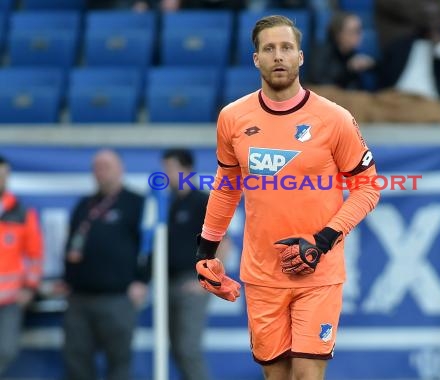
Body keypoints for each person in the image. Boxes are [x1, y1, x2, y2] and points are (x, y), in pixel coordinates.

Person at [193, 15, 381, 380]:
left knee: (307, 376)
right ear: (256, 59)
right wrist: (205, 251)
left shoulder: (334, 119)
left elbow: (368, 187)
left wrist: (323, 240)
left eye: (286, 48)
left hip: (318, 271)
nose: (278, 56)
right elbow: (226, 186)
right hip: (262, 273)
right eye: (269, 49)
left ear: (300, 57)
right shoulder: (232, 117)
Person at [141, 148, 230, 380]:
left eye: (170, 168)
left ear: (186, 170)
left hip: (191, 284)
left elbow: (224, 243)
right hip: (167, 283)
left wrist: (208, 279)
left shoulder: (202, 202)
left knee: (188, 348)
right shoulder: (167, 204)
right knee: (176, 349)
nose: (166, 174)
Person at [62, 149, 148, 380]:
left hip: (117, 297)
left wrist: (142, 280)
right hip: (79, 297)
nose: (100, 172)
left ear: (121, 169)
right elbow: (72, 244)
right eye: (96, 167)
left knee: (118, 360)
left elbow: (149, 247)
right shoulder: (84, 204)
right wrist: (68, 279)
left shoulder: (136, 203)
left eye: (106, 166)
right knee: (76, 358)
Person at [375, 1, 440, 122]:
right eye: (426, 16)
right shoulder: (399, 46)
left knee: (434, 114)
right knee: (357, 103)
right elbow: (383, 79)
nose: (430, 22)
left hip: (429, 104)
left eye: (434, 17)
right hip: (394, 101)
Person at [0, 155, 43, 376]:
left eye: (3, 173)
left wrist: (29, 287)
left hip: (10, 298)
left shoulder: (21, 212)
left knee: (6, 349)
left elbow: (35, 254)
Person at [308, 11, 376, 90]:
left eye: (360, 31)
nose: (360, 36)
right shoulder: (321, 51)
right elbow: (318, 81)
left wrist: (372, 65)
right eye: (354, 31)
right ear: (338, 34)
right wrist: (348, 69)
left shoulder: (353, 54)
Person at [374, 0, 440, 50]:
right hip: (400, 51)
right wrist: (431, 14)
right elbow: (407, 13)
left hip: (431, 45)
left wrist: (426, 15)